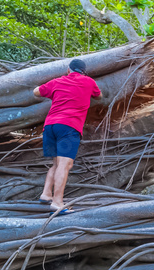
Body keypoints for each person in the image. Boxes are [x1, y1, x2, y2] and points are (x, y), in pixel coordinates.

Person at [32, 58, 101, 214]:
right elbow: (99, 96)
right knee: (65, 165)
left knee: (57, 164)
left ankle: (46, 194)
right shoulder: (89, 82)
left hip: (50, 127)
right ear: (84, 71)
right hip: (68, 127)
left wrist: (38, 86)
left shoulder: (57, 81)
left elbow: (36, 92)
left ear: (68, 70)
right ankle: (57, 203)